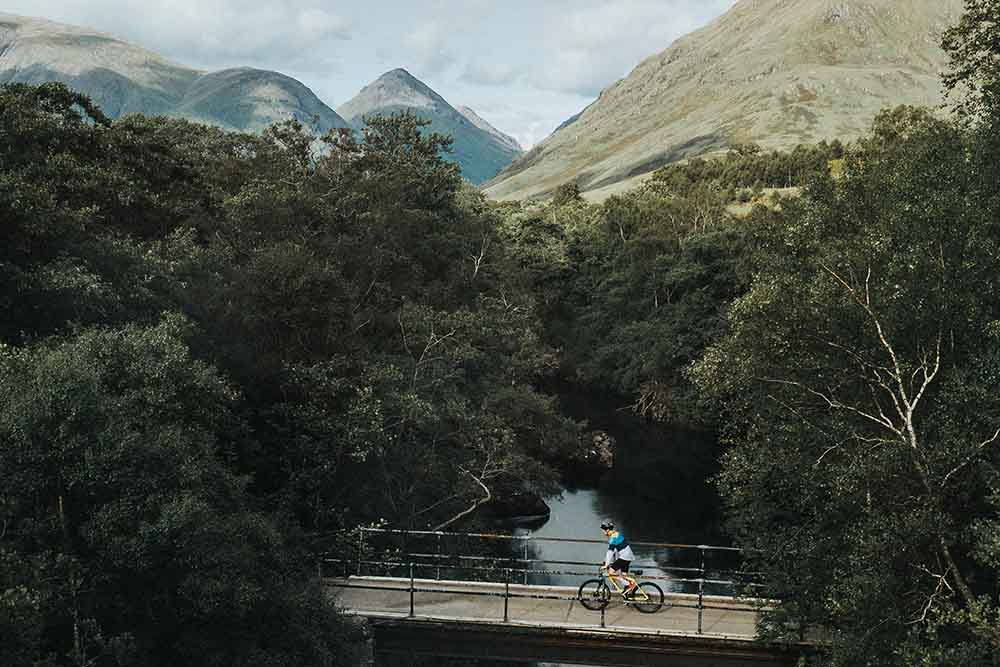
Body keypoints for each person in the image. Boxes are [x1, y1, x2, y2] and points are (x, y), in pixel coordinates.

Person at [600, 520, 638, 598]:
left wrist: (606, 564)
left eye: (603, 530)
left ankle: (630, 585)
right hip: (628, 556)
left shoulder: (613, 538)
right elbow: (614, 550)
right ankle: (628, 597)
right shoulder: (616, 534)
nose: (602, 532)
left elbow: (610, 552)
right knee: (624, 575)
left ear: (607, 530)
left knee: (610, 572)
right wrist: (606, 560)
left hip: (625, 557)